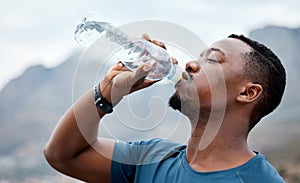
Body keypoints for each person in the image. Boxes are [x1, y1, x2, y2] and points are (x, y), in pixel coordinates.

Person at [43, 33, 286, 183]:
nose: (190, 64)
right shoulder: (151, 158)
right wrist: (108, 90)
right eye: (198, 57)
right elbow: (62, 155)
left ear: (247, 92)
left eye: (211, 59)